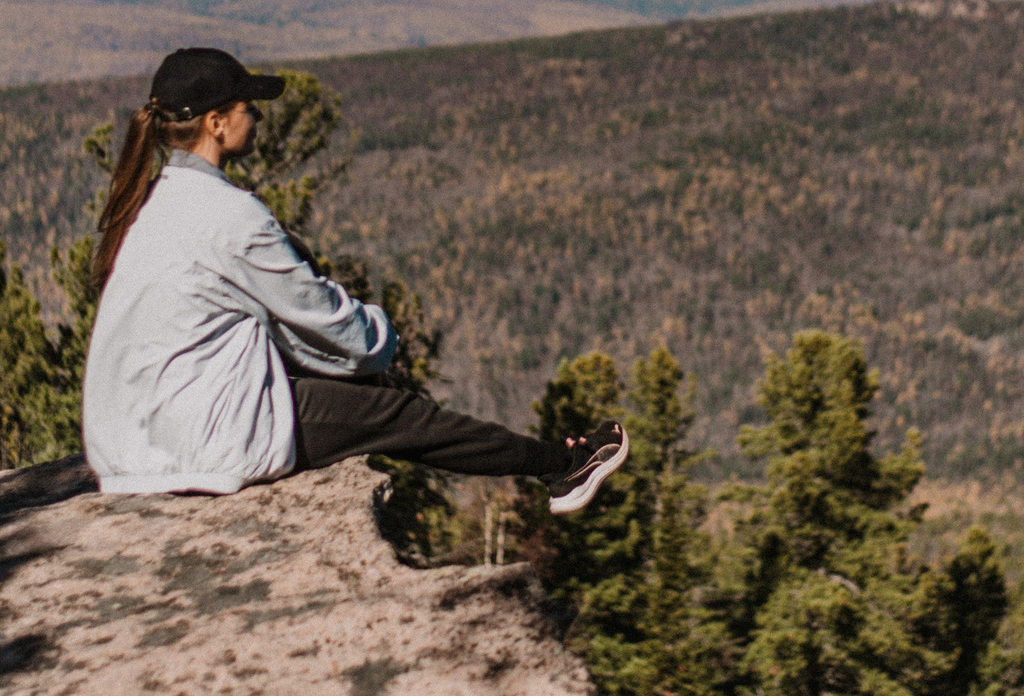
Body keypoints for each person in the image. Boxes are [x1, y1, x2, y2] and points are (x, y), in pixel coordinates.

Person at [81, 45, 628, 513]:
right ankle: (564, 467)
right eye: (250, 107)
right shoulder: (230, 218)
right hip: (205, 441)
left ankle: (559, 464)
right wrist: (382, 334)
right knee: (397, 413)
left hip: (130, 441)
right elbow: (334, 330)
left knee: (367, 396)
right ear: (216, 123)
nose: (260, 118)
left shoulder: (154, 204)